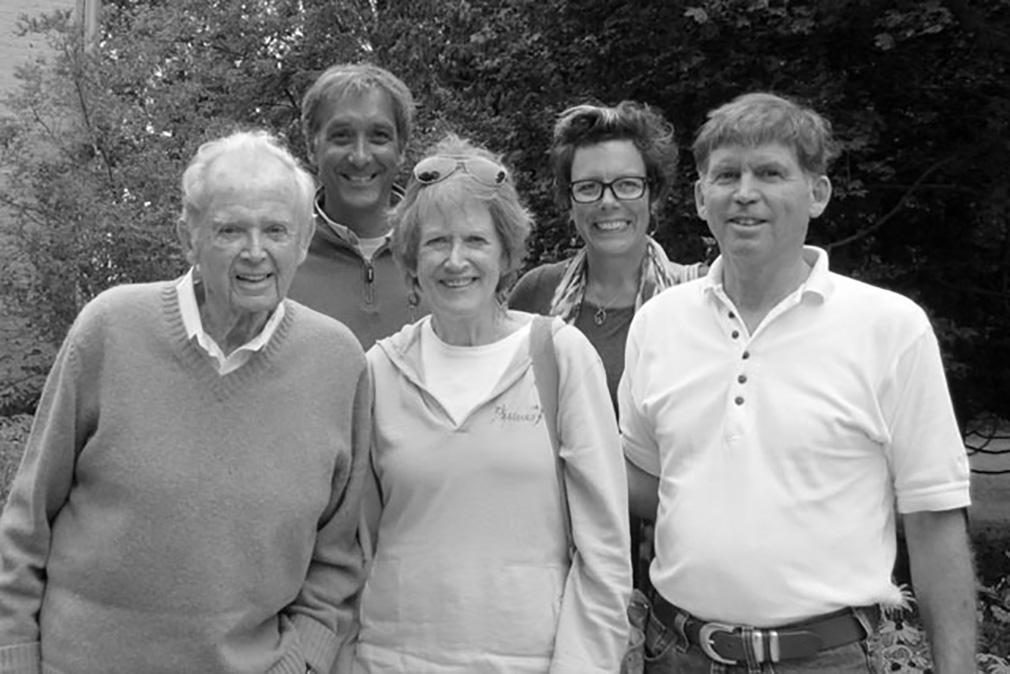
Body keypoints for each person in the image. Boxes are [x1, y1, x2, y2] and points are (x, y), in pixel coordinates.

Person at [619, 93, 975, 673]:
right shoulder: (659, 323)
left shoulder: (890, 328)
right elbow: (640, 481)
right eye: (727, 174)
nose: (745, 192)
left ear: (818, 193)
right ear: (699, 196)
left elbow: (934, 519)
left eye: (771, 173)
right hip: (678, 655)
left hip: (829, 661)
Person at [0, 130, 370, 674]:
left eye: (275, 230)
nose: (254, 251)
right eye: (229, 230)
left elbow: (337, 559)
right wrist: (13, 656)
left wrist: (299, 665)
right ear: (187, 237)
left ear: (305, 239)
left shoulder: (337, 362)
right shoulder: (111, 328)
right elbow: (27, 522)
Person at [355, 134, 632, 673]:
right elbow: (356, 546)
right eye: (436, 242)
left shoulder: (558, 356)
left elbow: (604, 554)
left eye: (475, 241)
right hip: (390, 661)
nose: (456, 261)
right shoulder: (379, 369)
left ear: (506, 252)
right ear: (411, 256)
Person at [509, 100, 704, 590]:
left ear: (653, 194)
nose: (608, 202)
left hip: (671, 578)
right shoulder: (535, 295)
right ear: (569, 200)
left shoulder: (697, 301)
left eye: (627, 185)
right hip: (548, 564)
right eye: (589, 187)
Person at [288, 62, 428, 349]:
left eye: (379, 136)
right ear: (312, 148)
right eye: (342, 136)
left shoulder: (443, 254)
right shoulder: (280, 259)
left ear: (401, 149)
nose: (361, 157)